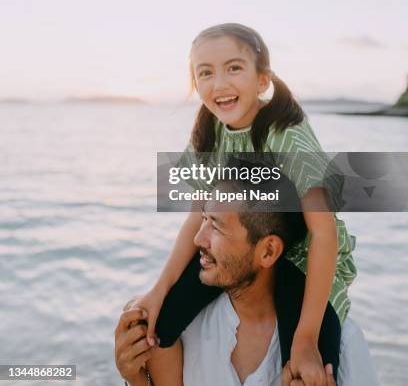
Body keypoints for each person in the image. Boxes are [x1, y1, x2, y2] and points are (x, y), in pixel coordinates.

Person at [124, 23, 357, 383]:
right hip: (240, 252)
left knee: (309, 369)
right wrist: (159, 290)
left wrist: (307, 336)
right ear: (195, 85)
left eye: (233, 68)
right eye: (205, 73)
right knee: (160, 323)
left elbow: (324, 234)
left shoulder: (288, 134)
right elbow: (195, 221)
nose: (219, 83)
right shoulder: (209, 133)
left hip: (300, 258)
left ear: (262, 79)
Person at [115, 189, 378, 385]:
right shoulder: (179, 325)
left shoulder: (340, 346)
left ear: (268, 251)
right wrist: (135, 377)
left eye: (216, 226)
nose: (198, 239)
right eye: (203, 219)